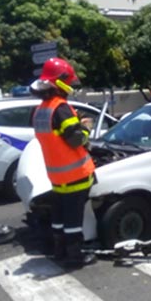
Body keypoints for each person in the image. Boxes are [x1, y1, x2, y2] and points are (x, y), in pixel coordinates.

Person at [30, 57, 97, 266]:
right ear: (59, 82)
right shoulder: (61, 108)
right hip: (76, 175)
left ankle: (59, 251)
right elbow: (76, 139)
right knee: (73, 220)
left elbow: (55, 138)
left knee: (59, 217)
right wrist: (86, 127)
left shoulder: (40, 110)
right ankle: (75, 257)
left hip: (57, 177)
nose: (70, 86)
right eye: (68, 81)